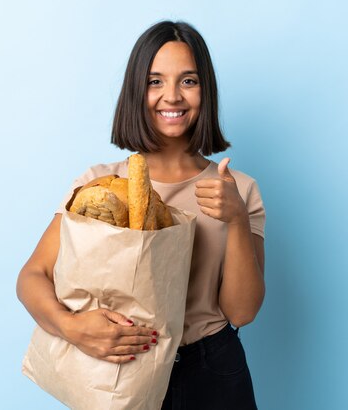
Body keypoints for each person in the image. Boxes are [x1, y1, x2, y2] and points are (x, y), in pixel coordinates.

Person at [16, 20, 266, 409]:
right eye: (155, 82)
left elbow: (242, 311)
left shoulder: (237, 188)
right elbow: (32, 276)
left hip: (211, 372)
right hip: (124, 367)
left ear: (206, 91)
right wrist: (72, 328)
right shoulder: (99, 183)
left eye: (188, 81)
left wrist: (235, 219)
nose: (172, 96)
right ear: (136, 90)